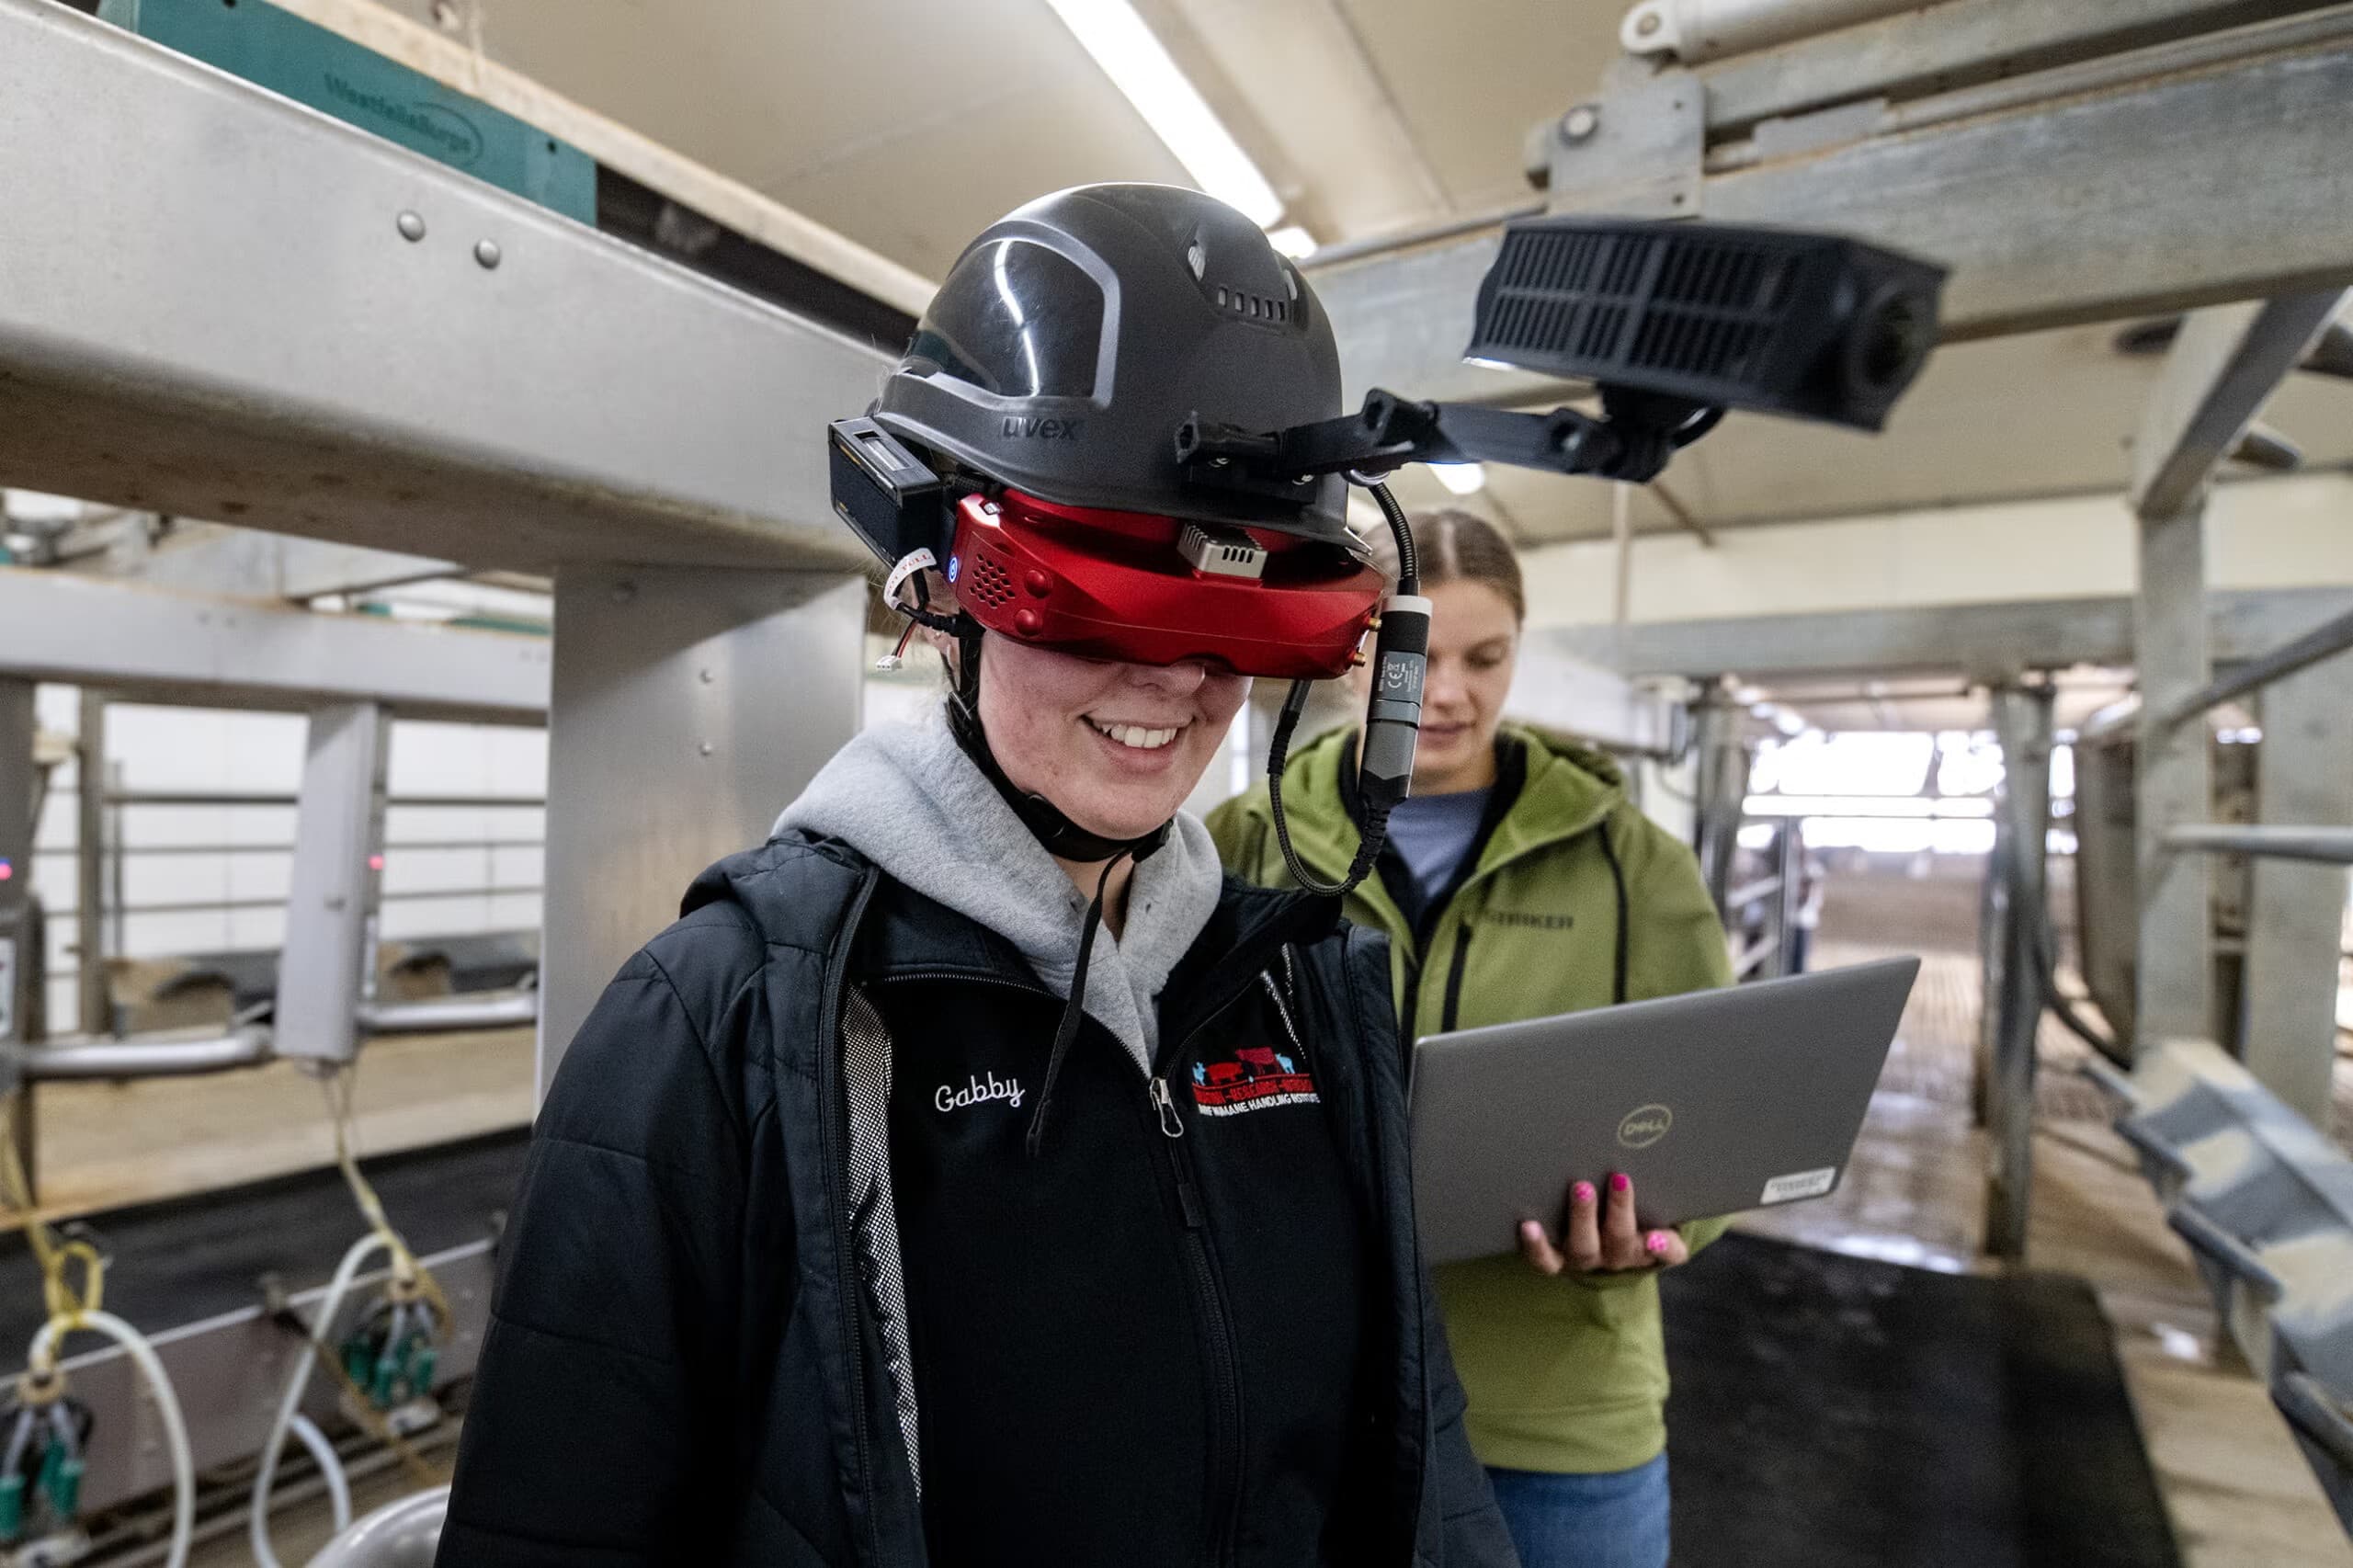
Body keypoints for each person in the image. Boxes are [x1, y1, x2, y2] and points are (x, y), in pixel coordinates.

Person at [437, 187, 1515, 1567]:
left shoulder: (1303, 994)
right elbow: (558, 1520)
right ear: (935, 587)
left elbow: (1419, 1464)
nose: (1175, 680)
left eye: (1229, 623)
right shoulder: (727, 1021)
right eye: (1103, 599)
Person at [1208, 508, 1733, 1568]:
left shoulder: (1636, 869)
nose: (1445, 693)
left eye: (1483, 657)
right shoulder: (1241, 845)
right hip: (1308, 1401)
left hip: (1556, 1416)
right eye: (1412, 653)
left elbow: (1709, 1132)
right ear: (1348, 646)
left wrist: (1656, 1225)